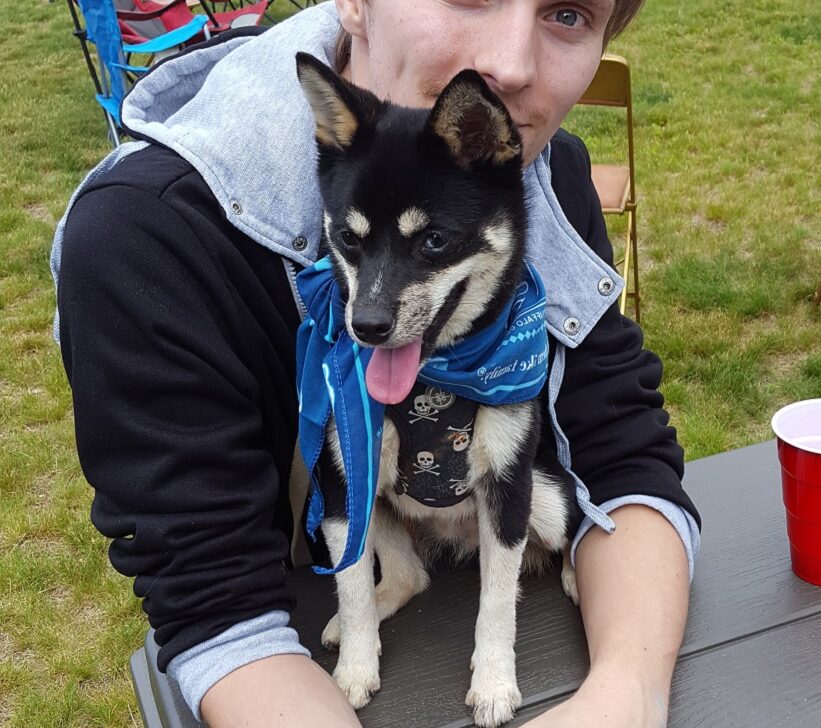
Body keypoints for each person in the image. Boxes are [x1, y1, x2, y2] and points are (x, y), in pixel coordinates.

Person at [51, 1, 701, 726]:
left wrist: (625, 698)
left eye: (569, 12)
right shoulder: (145, 239)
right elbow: (216, 607)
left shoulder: (542, 172)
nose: (513, 67)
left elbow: (621, 454)